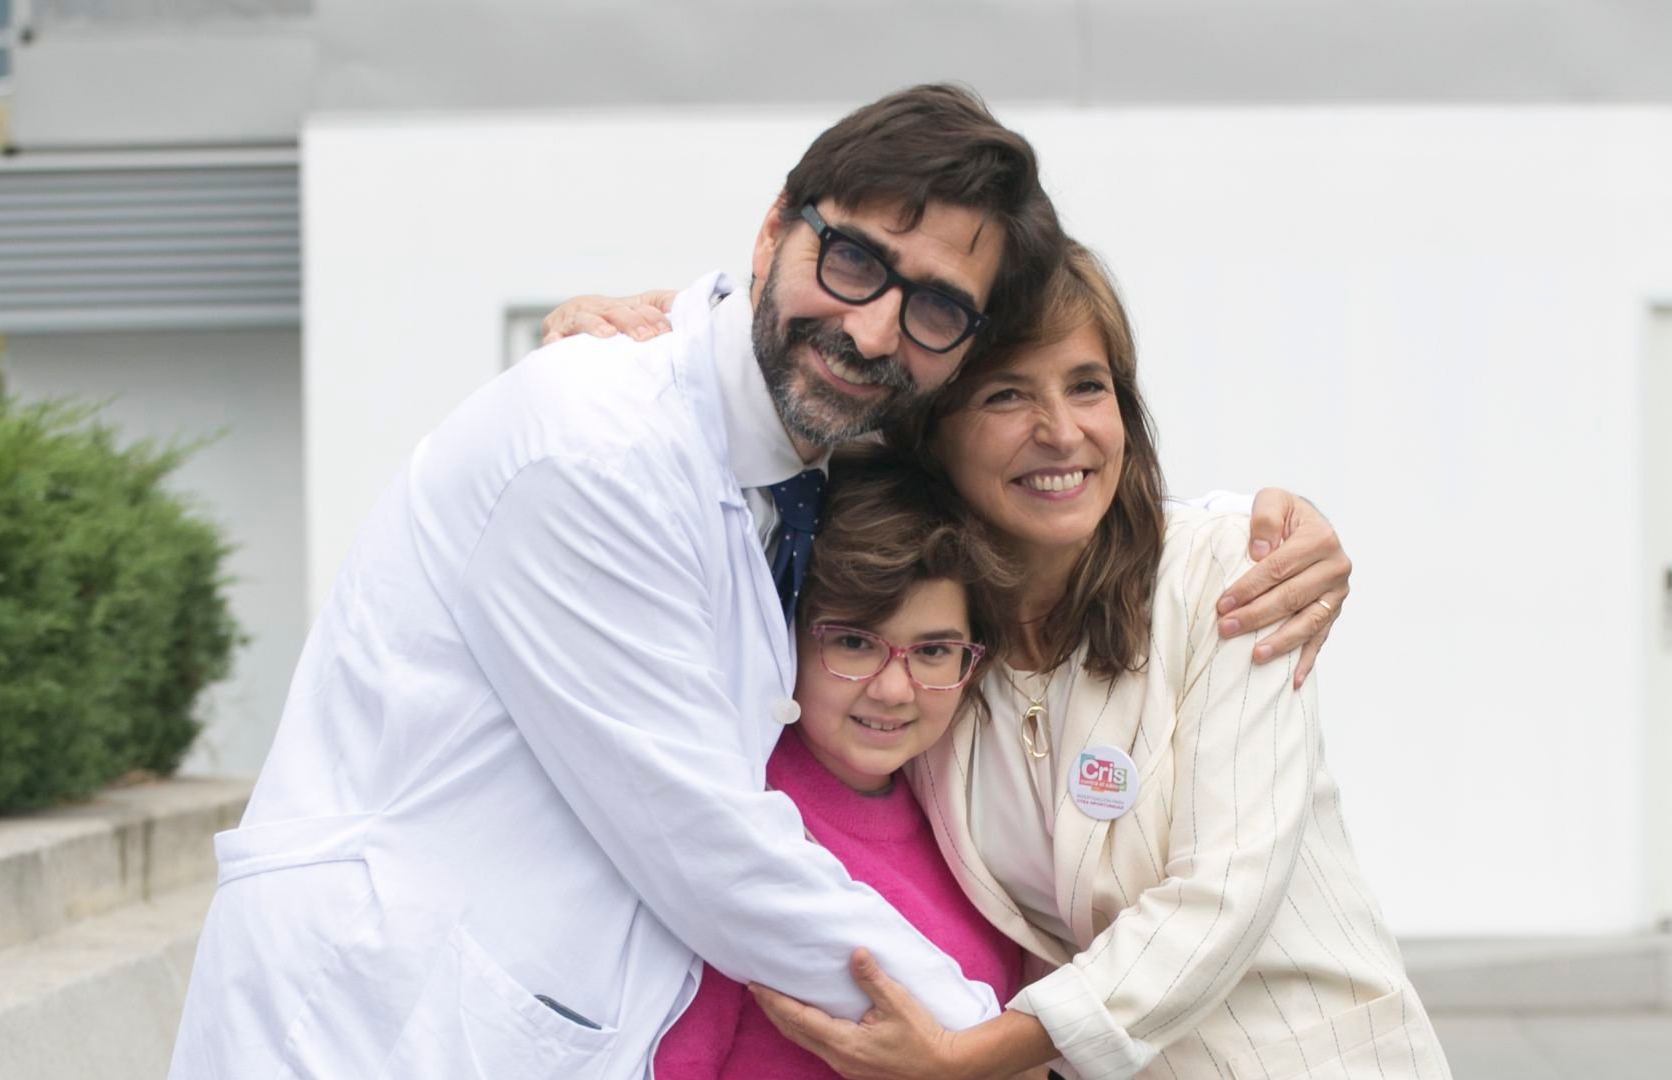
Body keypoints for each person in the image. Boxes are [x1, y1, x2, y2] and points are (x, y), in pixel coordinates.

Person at [169, 84, 1350, 1080]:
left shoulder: (801, 474)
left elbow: (1025, 492)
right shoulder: (595, 446)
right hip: (373, 1024)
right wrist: (972, 1040)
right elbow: (705, 838)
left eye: (936, 309)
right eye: (854, 260)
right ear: (773, 227)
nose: (878, 330)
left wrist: (1245, 525)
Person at [554, 244, 1441, 1079]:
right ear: (933, 434)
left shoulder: (1232, 581)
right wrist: (642, 340)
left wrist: (969, 1056)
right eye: (1007, 396)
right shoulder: (941, 643)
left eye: (1088, 387)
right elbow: (776, 397)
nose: (1061, 432)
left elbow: (1222, 898)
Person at [654, 447, 1033, 1080]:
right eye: (855, 642)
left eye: (934, 651)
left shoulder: (971, 825)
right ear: (788, 632)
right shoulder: (740, 816)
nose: (893, 689)